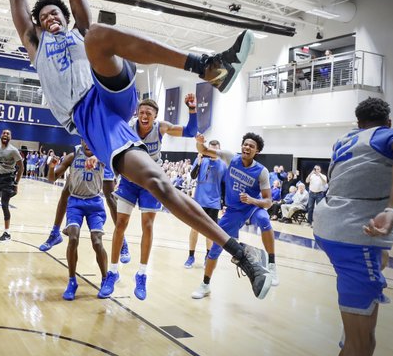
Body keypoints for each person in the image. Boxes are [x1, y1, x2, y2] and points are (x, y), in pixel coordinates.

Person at [0, 0, 270, 298]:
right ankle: (243, 254)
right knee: (157, 183)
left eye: (55, 12)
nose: (50, 17)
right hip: (91, 120)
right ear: (37, 25)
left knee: (96, 35)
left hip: (106, 90)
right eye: (43, 16)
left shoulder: (78, 33)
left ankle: (208, 67)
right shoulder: (35, 46)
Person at [305, 97, 393, 356]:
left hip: (327, 227)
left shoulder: (346, 140)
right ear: (387, 121)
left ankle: (350, 334)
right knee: (363, 345)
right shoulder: (390, 136)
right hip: (353, 236)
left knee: (380, 257)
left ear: (357, 120)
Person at [107, 94, 200, 300]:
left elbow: (191, 131)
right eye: (141, 112)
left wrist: (192, 109)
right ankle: (112, 272)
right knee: (120, 224)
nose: (144, 115)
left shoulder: (161, 128)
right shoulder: (128, 126)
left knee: (147, 226)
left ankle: (141, 274)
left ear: (155, 116)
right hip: (130, 182)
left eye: (148, 113)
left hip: (150, 183)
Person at [190, 133, 277, 300]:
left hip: (252, 207)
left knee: (265, 220)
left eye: (251, 146)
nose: (247, 147)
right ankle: (205, 285)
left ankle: (272, 264)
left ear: (257, 151)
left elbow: (268, 202)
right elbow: (204, 150)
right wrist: (199, 143)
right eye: (245, 144)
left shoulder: (262, 171)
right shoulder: (231, 157)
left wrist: (253, 200)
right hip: (233, 211)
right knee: (215, 247)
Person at [48, 141, 108, 300]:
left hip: (95, 203)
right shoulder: (72, 156)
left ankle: (105, 279)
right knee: (73, 238)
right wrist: (51, 167)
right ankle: (72, 281)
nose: (88, 143)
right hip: (75, 203)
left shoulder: (103, 156)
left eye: (91, 140)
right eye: (85, 140)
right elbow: (52, 178)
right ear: (81, 141)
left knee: (97, 242)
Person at [184, 144, 227, 268]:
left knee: (210, 232)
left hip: (214, 203)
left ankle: (207, 257)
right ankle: (191, 256)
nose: (212, 151)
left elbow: (224, 185)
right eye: (210, 148)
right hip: (199, 200)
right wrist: (199, 161)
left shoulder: (223, 164)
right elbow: (193, 176)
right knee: (194, 229)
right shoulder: (201, 159)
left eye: (215, 149)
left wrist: (224, 203)